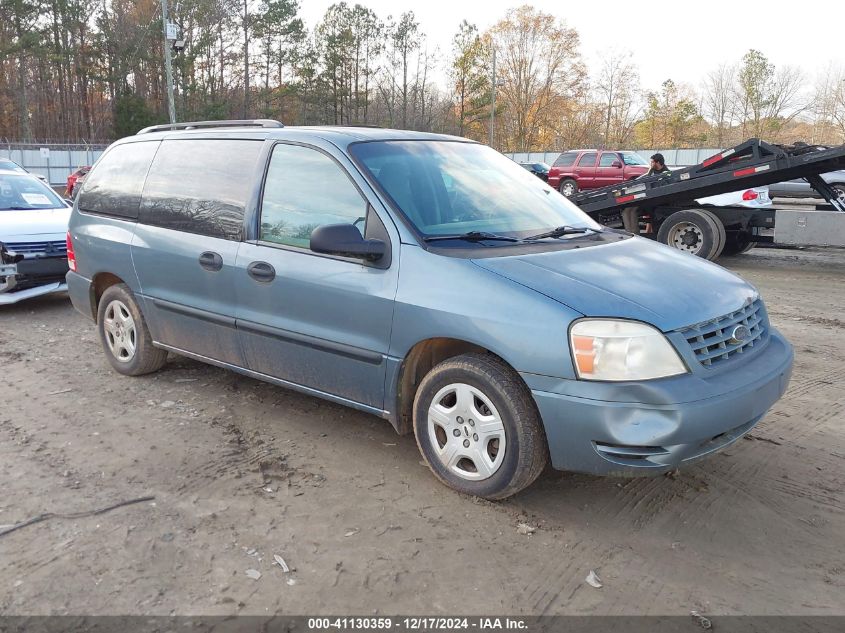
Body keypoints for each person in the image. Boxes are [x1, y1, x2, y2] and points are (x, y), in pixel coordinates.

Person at [622, 153, 673, 234]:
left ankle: (638, 233)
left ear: (658, 163)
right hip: (647, 198)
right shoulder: (652, 171)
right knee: (627, 210)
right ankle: (632, 233)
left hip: (656, 201)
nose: (651, 164)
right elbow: (644, 180)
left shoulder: (666, 173)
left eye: (652, 162)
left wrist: (650, 171)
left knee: (633, 210)